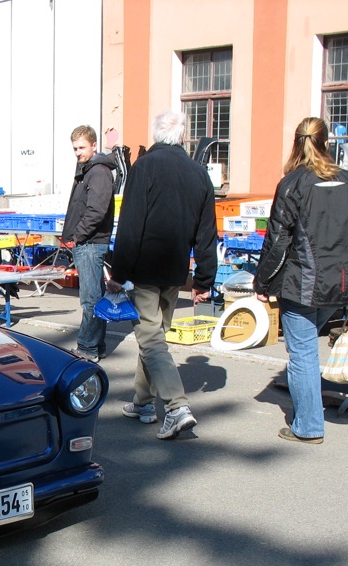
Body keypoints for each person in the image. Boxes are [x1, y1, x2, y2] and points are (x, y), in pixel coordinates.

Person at [253, 116, 348, 445]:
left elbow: (276, 241)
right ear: (326, 142)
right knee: (310, 350)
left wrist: (262, 283)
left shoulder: (292, 184)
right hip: (342, 283)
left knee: (303, 353)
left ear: (297, 142)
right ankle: (310, 415)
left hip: (302, 283)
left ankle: (308, 425)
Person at [108, 110, 217, 439]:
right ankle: (142, 402)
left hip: (145, 267)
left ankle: (176, 407)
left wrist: (118, 271)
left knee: (151, 339)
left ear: (155, 135)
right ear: (183, 136)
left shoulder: (144, 168)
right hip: (174, 270)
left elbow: (130, 225)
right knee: (153, 338)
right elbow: (207, 234)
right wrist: (204, 281)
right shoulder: (199, 174)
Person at [60, 125, 116, 363]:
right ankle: (96, 345)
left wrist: (78, 236)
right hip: (87, 241)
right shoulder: (88, 169)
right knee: (94, 296)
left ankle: (87, 348)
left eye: (81, 147)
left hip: (91, 243)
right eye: (74, 148)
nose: (77, 152)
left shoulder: (98, 171)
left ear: (94, 145)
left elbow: (96, 211)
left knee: (90, 298)